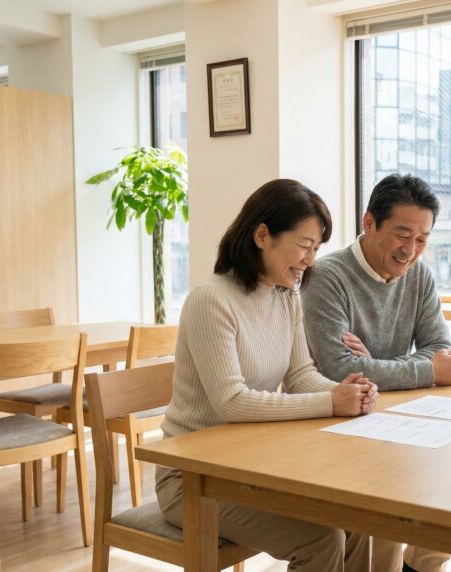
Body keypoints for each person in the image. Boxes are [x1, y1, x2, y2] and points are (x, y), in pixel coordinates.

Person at [156, 179, 377, 572]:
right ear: (262, 235)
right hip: (192, 478)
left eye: (317, 249)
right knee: (320, 539)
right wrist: (331, 401)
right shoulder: (211, 299)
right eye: (305, 245)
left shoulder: (284, 297)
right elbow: (232, 402)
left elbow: (300, 374)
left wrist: (347, 391)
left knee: (361, 519)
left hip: (250, 464)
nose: (311, 260)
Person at [302, 173, 451, 572]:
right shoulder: (326, 277)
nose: (411, 250)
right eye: (402, 234)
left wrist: (376, 365)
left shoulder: (419, 276)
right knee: (392, 513)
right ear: (368, 222)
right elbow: (340, 369)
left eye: (422, 239)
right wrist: (421, 369)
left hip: (400, 422)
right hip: (340, 429)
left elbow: (440, 352)